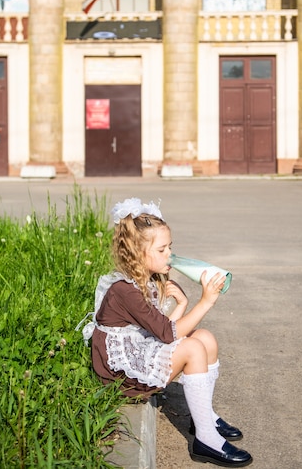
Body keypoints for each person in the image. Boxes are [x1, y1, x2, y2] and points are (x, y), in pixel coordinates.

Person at [80, 197, 253, 467]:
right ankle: (205, 439)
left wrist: (183, 303)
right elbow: (169, 335)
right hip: (121, 377)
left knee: (204, 338)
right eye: (162, 250)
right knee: (193, 347)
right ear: (138, 254)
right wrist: (205, 301)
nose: (169, 255)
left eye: (170, 247)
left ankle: (203, 417)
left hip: (138, 350)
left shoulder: (144, 279)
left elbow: (162, 331)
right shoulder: (124, 290)